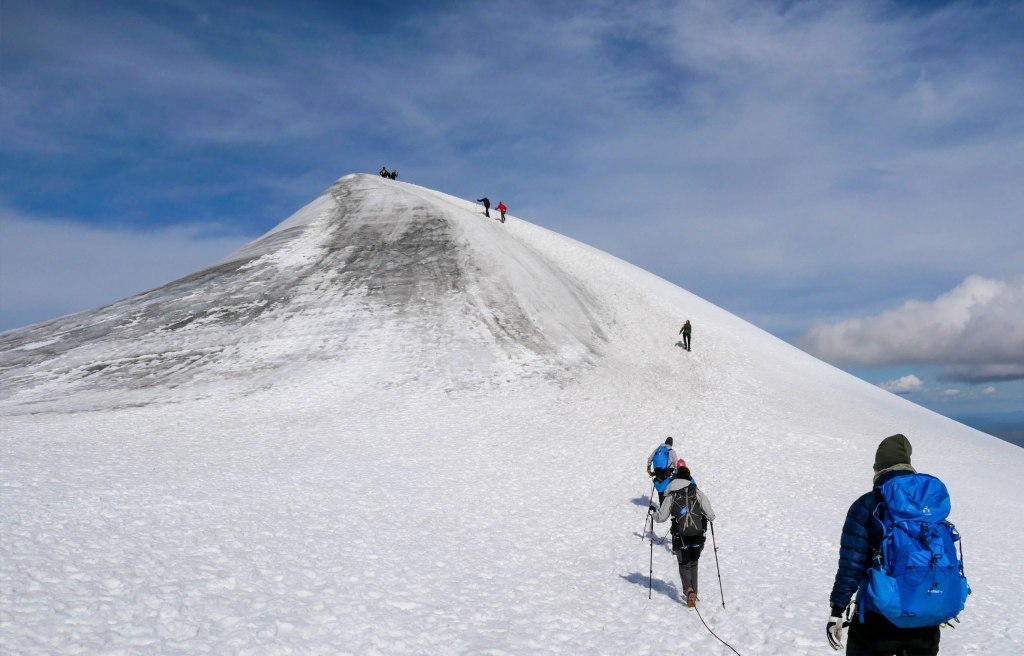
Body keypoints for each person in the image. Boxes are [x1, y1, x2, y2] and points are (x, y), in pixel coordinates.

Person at [827, 434, 942, 655]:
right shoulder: (931, 505)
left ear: (878, 467)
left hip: (877, 618)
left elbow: (851, 565)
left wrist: (837, 610)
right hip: (926, 618)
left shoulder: (867, 505)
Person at [650, 464, 716, 608]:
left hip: (681, 537)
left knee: (684, 565)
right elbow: (711, 515)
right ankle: (694, 593)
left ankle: (689, 591)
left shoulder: (672, 494)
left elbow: (661, 517)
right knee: (694, 563)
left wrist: (653, 513)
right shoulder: (697, 492)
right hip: (698, 536)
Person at [646, 437, 678, 504]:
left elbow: (649, 459)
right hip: (667, 474)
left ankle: (662, 508)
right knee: (667, 491)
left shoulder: (658, 450)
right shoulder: (671, 451)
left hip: (658, 474)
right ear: (671, 443)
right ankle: (667, 509)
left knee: (660, 490)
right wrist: (676, 474)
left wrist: (649, 469)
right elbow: (676, 464)